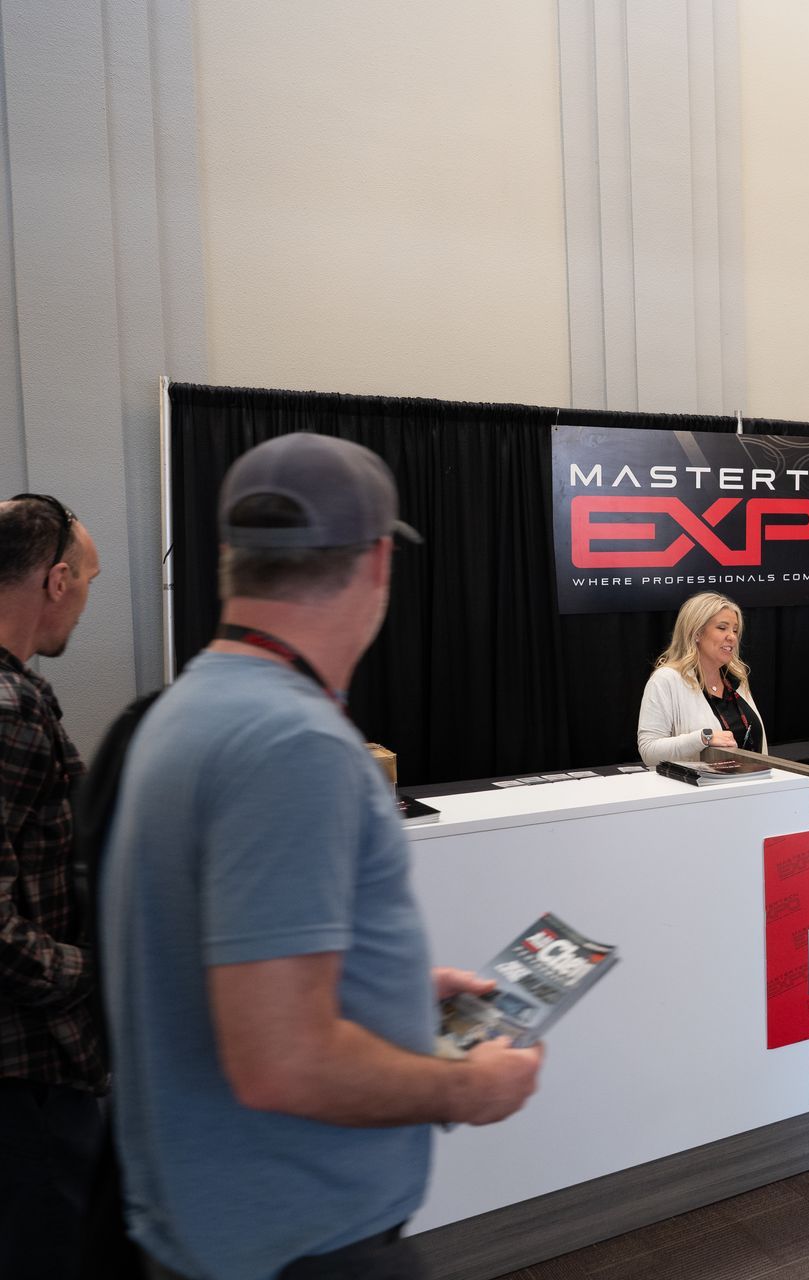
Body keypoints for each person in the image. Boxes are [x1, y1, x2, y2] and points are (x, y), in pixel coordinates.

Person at [101, 434, 543, 1280]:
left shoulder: (185, 710)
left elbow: (221, 972)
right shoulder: (293, 743)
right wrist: (465, 1087)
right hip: (298, 1242)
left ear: (231, 560)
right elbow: (282, 1060)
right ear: (378, 563)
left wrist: (395, 992)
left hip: (219, 1227)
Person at [0, 495, 104, 1280]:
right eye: (90, 583)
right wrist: (92, 978)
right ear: (57, 580)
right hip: (27, 1074)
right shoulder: (10, 713)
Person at [636, 592, 766, 764]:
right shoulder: (666, 680)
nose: (732, 637)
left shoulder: (736, 679)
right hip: (697, 789)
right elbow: (649, 751)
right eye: (722, 628)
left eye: (735, 630)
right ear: (696, 632)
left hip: (751, 787)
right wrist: (703, 738)